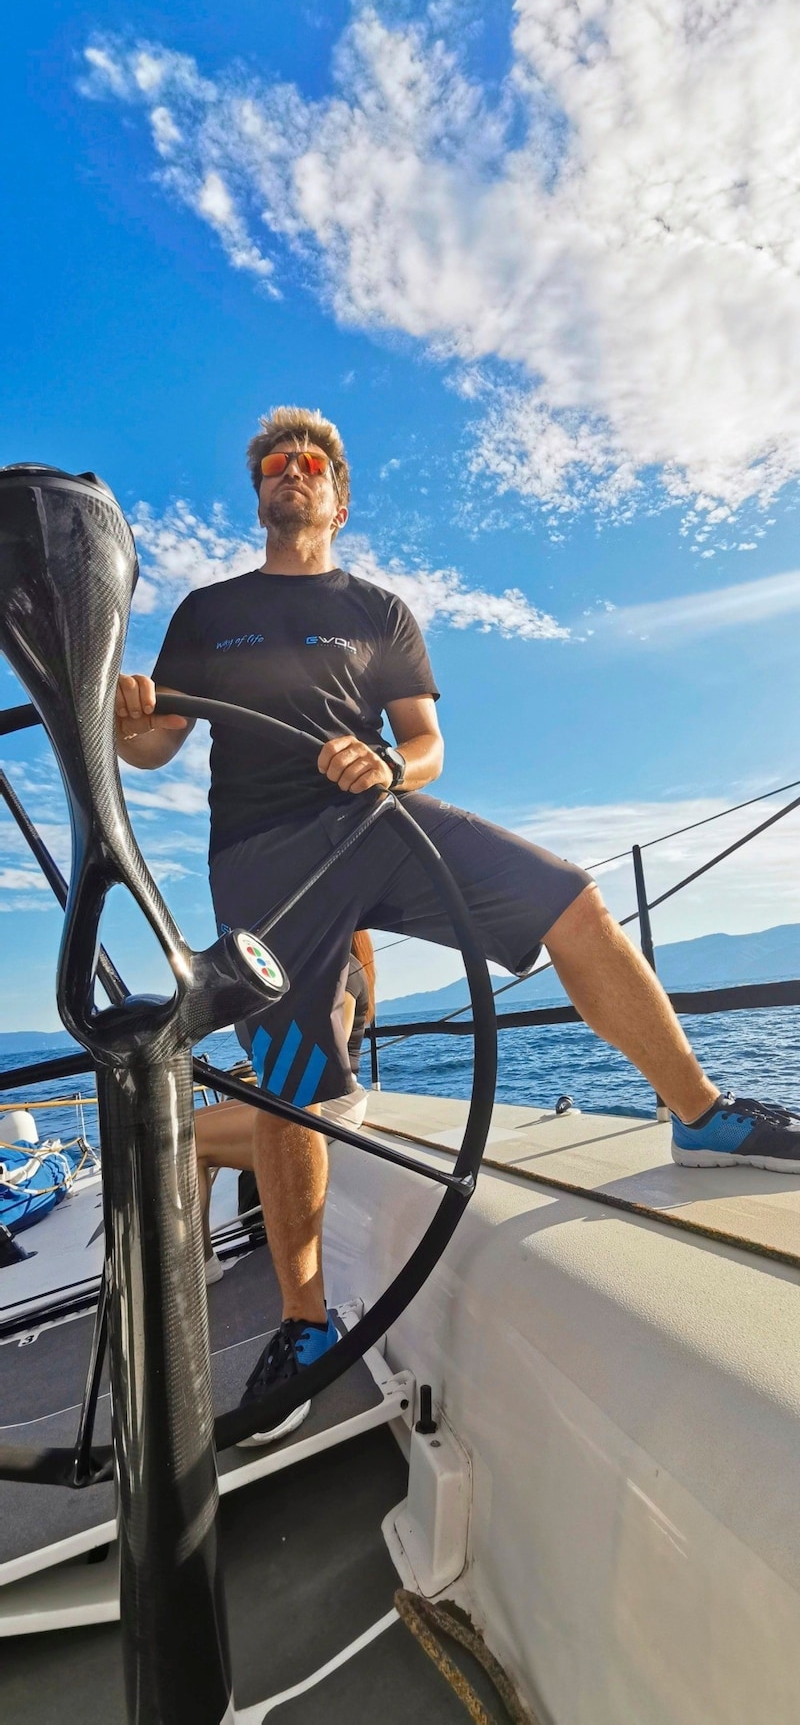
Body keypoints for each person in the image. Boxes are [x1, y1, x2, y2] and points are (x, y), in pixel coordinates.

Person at [116, 405, 800, 1445]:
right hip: (258, 859)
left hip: (376, 821)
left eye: (306, 463)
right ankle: (305, 1323)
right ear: (257, 493)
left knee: (568, 895)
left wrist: (388, 766)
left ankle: (697, 1113)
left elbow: (425, 742)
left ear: (338, 496)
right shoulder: (209, 612)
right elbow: (156, 744)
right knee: (296, 1081)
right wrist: (127, 719)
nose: (287, 474)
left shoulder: (381, 610)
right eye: (270, 464)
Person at [196, 932, 375, 1289]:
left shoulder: (342, 970)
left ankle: (196, 1264)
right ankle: (194, 1256)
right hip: (290, 1096)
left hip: (327, 1102)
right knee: (182, 1125)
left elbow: (325, 1065)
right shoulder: (302, 969)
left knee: (185, 1139)